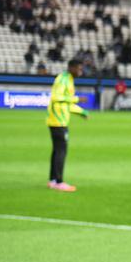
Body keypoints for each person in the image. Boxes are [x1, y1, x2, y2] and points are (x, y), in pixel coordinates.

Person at [46, 58, 88, 192]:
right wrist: (77, 99)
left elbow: (66, 104)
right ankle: (59, 182)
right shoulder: (63, 80)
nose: (81, 71)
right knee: (61, 151)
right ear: (72, 67)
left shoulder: (68, 79)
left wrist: (81, 111)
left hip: (58, 120)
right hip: (58, 121)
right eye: (79, 68)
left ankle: (53, 180)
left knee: (57, 150)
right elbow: (56, 98)